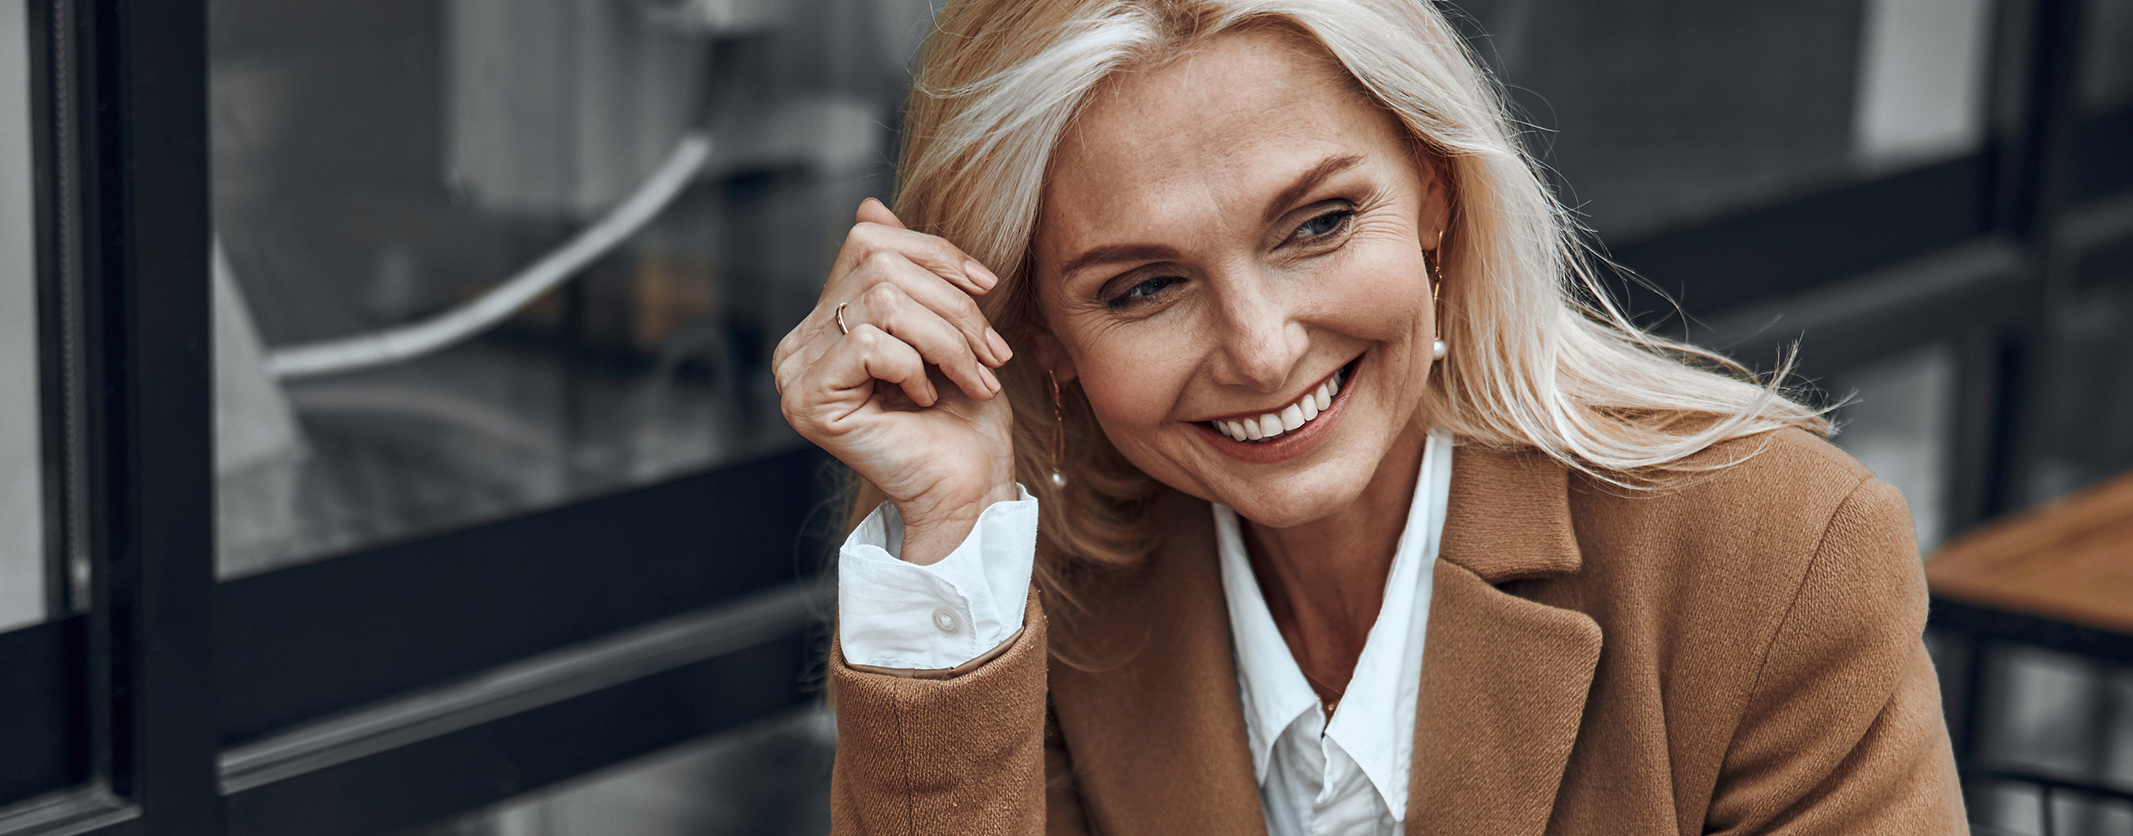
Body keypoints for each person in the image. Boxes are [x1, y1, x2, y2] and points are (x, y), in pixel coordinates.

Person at [772, 0, 1970, 832]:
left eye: (1318, 224)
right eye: (1144, 287)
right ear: (1039, 336)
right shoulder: (1036, 599)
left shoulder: (1774, 556)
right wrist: (947, 531)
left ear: (1435, 190)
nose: (1261, 346)